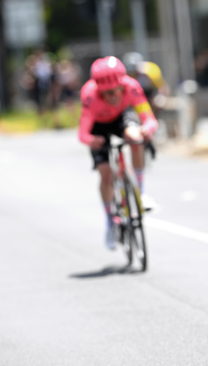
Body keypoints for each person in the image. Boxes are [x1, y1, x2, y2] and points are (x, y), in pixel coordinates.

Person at [78, 56, 158, 249]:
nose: (114, 96)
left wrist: (146, 129)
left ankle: (140, 193)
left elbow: (149, 119)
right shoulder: (89, 95)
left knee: (135, 137)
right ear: (99, 90)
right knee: (106, 174)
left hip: (121, 118)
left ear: (122, 83)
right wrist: (92, 140)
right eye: (107, 93)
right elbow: (83, 134)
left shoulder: (131, 87)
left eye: (117, 90)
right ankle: (109, 221)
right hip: (98, 127)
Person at [122, 52, 169, 118]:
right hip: (137, 94)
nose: (133, 73)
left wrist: (162, 98)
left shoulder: (150, 71)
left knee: (158, 102)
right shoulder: (127, 75)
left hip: (152, 93)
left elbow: (162, 86)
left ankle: (156, 118)